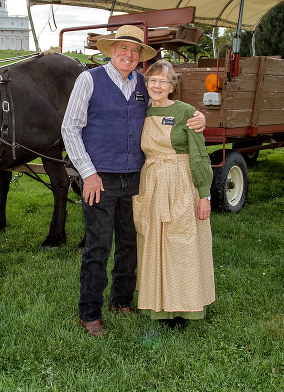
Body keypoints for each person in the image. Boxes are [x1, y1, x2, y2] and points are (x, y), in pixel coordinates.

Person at [61, 25, 205, 337]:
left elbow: (172, 110)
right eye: (123, 48)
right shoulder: (89, 80)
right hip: (99, 178)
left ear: (140, 57)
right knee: (98, 246)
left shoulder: (144, 84)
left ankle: (121, 301)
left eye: (135, 50)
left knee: (131, 242)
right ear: (111, 50)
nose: (129, 54)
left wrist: (198, 117)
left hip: (138, 178)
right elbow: (70, 128)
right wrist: (88, 173)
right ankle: (90, 315)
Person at [132, 60, 215, 330]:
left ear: (172, 86)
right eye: (153, 80)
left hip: (180, 183)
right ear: (146, 84)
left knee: (181, 244)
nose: (157, 86)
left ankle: (183, 309)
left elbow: (200, 154)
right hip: (152, 183)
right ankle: (158, 306)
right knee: (153, 242)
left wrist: (205, 194)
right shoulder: (140, 112)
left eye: (164, 81)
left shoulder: (186, 112)